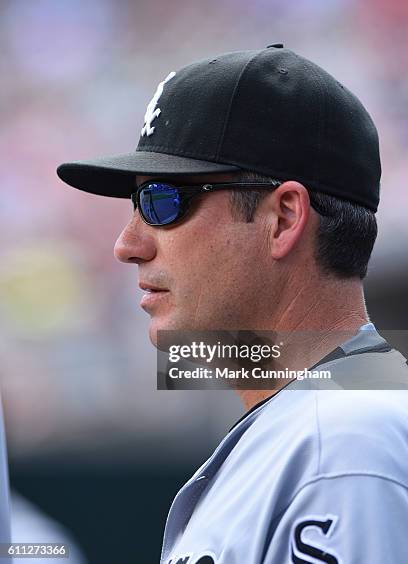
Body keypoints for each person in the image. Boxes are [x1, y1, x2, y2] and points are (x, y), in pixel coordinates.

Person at [57, 45, 408, 563]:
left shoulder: (347, 441)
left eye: (161, 201)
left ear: (284, 219)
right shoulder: (320, 425)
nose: (127, 245)